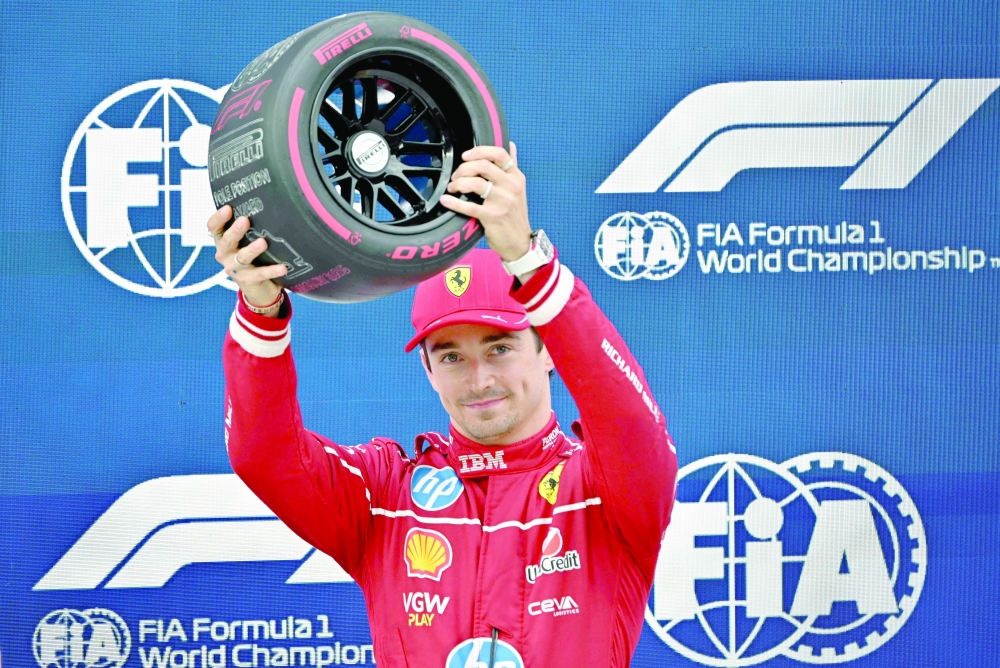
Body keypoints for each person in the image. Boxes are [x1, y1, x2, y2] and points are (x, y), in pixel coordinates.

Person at [209, 143, 678, 667]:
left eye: (500, 348)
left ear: (549, 352)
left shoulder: (604, 488)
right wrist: (261, 309)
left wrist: (530, 262)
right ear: (428, 371)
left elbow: (632, 424)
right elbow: (264, 455)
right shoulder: (386, 493)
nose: (479, 380)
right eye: (451, 356)